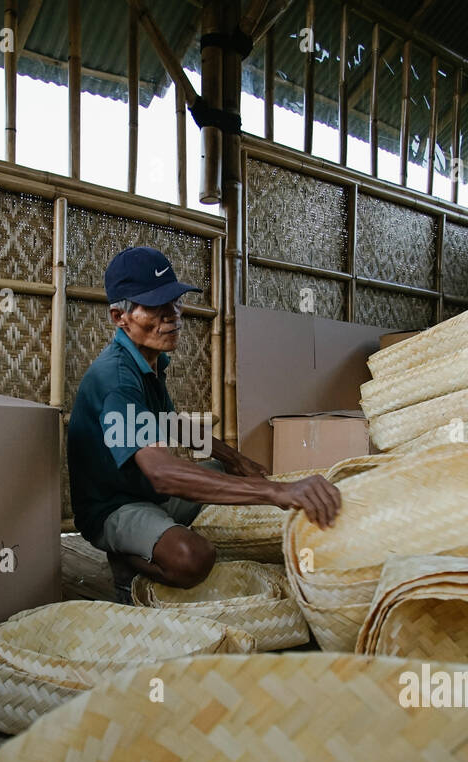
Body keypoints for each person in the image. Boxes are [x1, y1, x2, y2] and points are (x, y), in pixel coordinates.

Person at [66, 245, 341, 600]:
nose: (173, 316)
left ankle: (157, 533)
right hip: (113, 507)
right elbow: (163, 473)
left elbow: (173, 423)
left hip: (149, 494)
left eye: (175, 302)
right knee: (193, 558)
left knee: (227, 474)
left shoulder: (148, 363)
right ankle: (124, 560)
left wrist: (234, 460)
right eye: (155, 306)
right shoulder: (116, 378)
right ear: (120, 317)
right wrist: (277, 491)